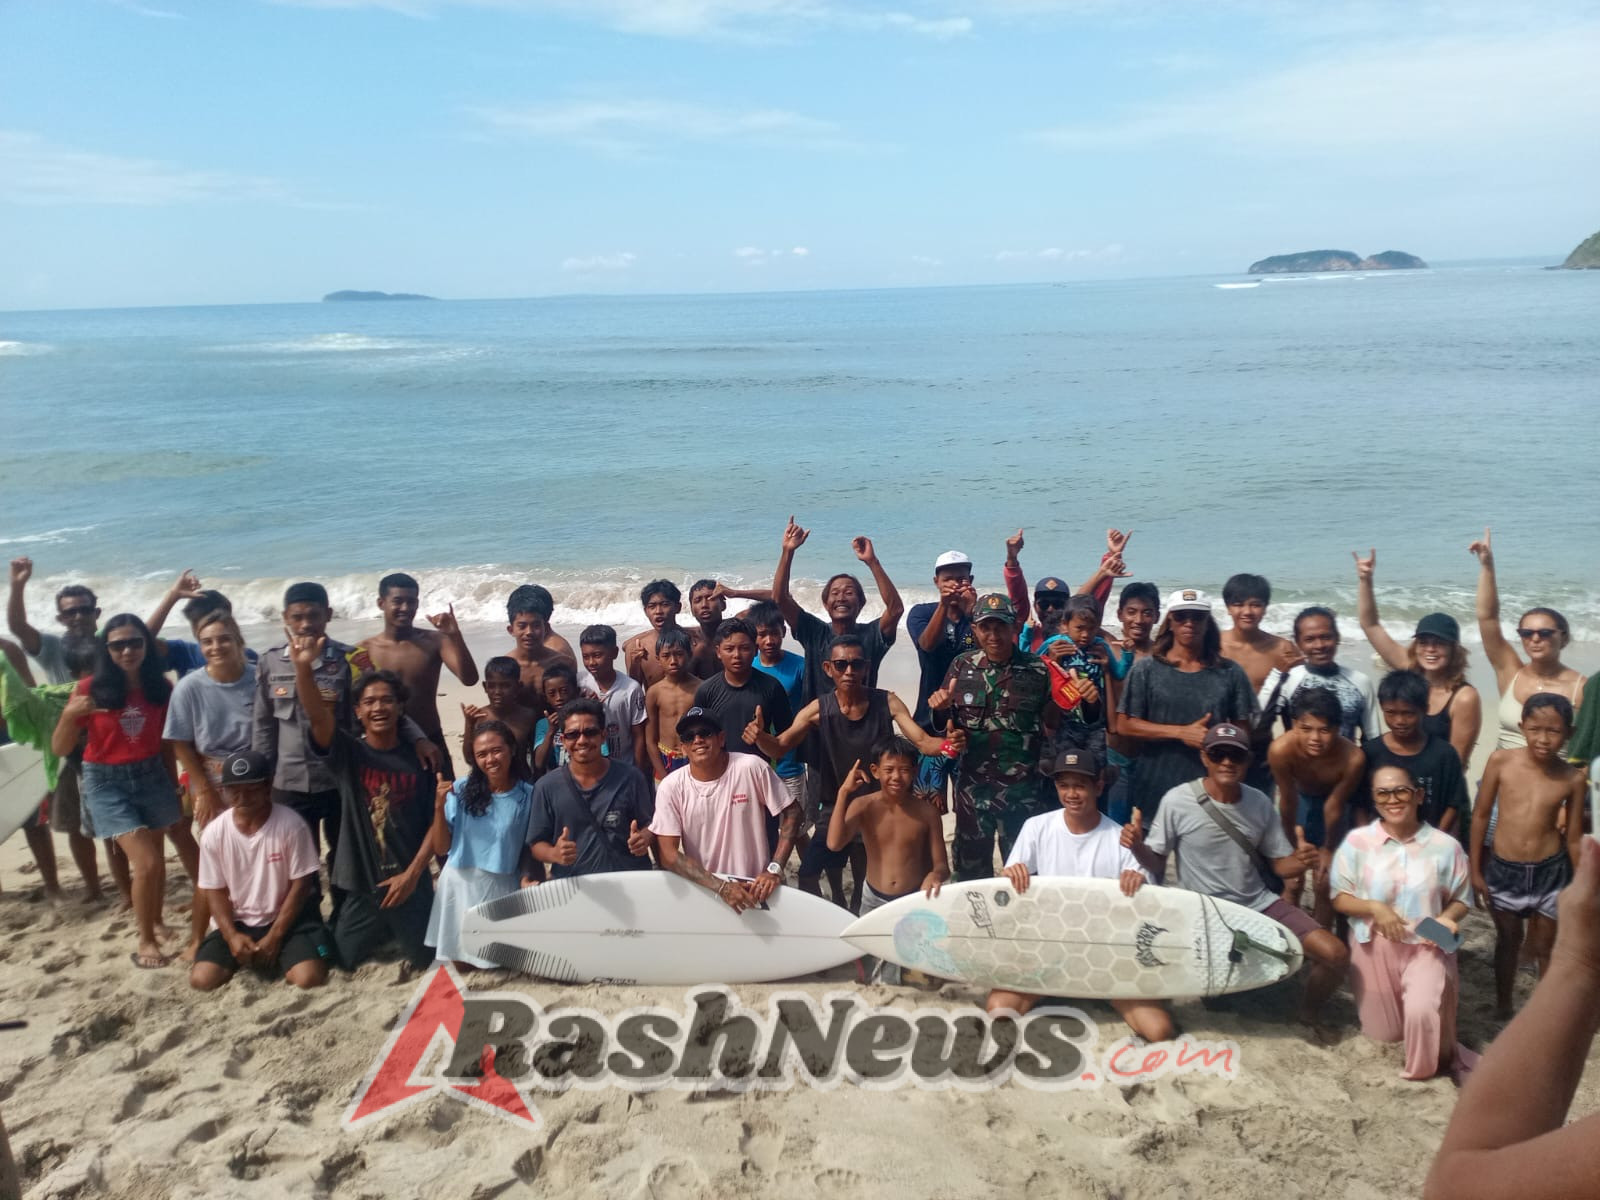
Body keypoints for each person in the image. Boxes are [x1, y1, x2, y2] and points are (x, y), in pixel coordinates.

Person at [1124, 722, 1347, 1035]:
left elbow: (1279, 866)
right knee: (1219, 999)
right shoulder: (1177, 800)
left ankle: (1308, 1014)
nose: (1227, 762)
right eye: (1218, 754)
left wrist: (1301, 862)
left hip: (1258, 903)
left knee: (1335, 954)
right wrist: (1136, 847)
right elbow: (1157, 864)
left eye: (1235, 756)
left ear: (1247, 761)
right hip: (1205, 912)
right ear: (1205, 758)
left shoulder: (1258, 802)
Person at [1424, 834, 1600, 1200]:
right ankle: (1503, 1003)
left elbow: (1455, 1188)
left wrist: (1578, 961)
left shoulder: (1440, 846)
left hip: (1535, 879)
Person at [253, 582, 437, 890]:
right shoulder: (269, 662)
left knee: (344, 855)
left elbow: (381, 704)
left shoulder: (352, 660)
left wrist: (418, 738)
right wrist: (261, 779)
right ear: (285, 617)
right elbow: (262, 725)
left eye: (314, 615)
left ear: (328, 614)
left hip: (341, 779)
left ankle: (343, 915)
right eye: (297, 617)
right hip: (289, 781)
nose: (306, 624)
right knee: (295, 861)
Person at [752, 634, 958, 907]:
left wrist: (949, 744)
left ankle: (857, 912)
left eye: (856, 664)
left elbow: (921, 741)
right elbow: (779, 747)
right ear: (828, 669)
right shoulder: (818, 708)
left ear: (866, 668)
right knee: (809, 872)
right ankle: (832, 912)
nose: (849, 671)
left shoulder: (888, 702)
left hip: (879, 806)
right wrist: (760, 736)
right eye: (841, 664)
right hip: (835, 804)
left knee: (865, 871)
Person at [986, 747, 1173, 1043]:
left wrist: (1138, 881)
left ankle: (1105, 994)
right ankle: (1053, 987)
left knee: (1158, 1030)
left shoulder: (1119, 838)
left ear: (1099, 786)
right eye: (1064, 785)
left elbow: (1147, 902)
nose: (1071, 794)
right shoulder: (1037, 827)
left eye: (1080, 785)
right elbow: (1009, 885)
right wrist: (1011, 875)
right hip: (1050, 949)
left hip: (1106, 954)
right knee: (999, 1010)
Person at [292, 640, 438, 973]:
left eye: (387, 700)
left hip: (409, 884)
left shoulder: (422, 759)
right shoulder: (348, 754)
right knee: (342, 960)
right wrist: (302, 667)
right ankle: (374, 924)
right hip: (361, 885)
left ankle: (397, 924)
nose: (378, 708)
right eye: (369, 702)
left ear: (401, 707)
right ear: (357, 711)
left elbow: (436, 821)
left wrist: (413, 875)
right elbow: (316, 715)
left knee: (425, 959)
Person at [1330, 763, 1474, 1081]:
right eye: (1383, 792)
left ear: (1418, 795)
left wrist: (1447, 919)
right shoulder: (1357, 843)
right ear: (1374, 798)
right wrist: (1374, 907)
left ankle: (1422, 1073)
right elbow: (1339, 898)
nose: (1392, 799)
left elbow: (1463, 899)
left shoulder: (1445, 846)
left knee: (1423, 1014)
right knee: (1386, 1035)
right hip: (1373, 944)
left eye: (1401, 791)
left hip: (1428, 942)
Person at [51, 615, 181, 968]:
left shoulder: (161, 688)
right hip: (106, 780)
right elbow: (60, 748)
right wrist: (67, 717)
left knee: (156, 857)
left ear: (146, 646)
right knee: (147, 862)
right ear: (105, 650)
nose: (127, 650)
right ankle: (146, 940)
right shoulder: (88, 689)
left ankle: (156, 920)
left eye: (135, 642)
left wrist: (173, 784)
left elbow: (167, 743)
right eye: (117, 644)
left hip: (152, 772)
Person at [1469, 693, 1585, 1017]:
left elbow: (1574, 838)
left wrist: (1580, 884)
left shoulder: (1573, 779)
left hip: (1551, 871)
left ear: (1569, 734)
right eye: (1535, 729)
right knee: (1507, 941)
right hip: (1504, 868)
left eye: (1554, 731)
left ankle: (1543, 1012)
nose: (1544, 739)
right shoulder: (1500, 761)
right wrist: (1475, 868)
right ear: (1522, 727)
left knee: (1546, 948)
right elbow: (1480, 815)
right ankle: (1504, 1005)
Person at [927, 593, 1055, 880]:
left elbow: (1052, 724)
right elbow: (945, 726)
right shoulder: (962, 666)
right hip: (974, 792)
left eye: (1000, 626)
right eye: (986, 627)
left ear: (1014, 627)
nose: (993, 634)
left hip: (1023, 794)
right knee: (971, 877)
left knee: (1024, 876)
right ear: (975, 629)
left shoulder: (1037, 669)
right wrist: (940, 712)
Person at [190, 749, 332, 992]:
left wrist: (275, 936)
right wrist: (231, 935)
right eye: (234, 789)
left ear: (268, 787)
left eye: (252, 788)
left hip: (287, 920)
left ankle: (278, 953)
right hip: (240, 921)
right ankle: (246, 953)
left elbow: (302, 884)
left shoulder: (291, 825)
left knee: (309, 978)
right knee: (202, 980)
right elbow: (214, 891)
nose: (243, 796)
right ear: (224, 791)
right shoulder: (214, 833)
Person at [163, 610, 257, 960]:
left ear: (238, 641)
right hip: (212, 779)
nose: (216, 647)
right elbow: (180, 742)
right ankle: (197, 938)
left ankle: (248, 922)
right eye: (207, 641)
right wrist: (202, 789)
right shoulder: (190, 687)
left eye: (223, 639)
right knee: (214, 862)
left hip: (259, 778)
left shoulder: (258, 677)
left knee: (257, 855)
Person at [1116, 589, 1257, 822]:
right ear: (1170, 620)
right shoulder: (1146, 669)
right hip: (1153, 786)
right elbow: (1125, 724)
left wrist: (1219, 744)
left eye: (1197, 616)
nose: (1189, 623)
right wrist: (1181, 732)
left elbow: (1243, 732)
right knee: (1153, 857)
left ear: (1207, 622)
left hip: (1211, 788)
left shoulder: (1230, 672)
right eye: (1181, 616)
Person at [649, 707, 801, 912]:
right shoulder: (671, 786)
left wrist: (775, 869)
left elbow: (793, 811)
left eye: (705, 733)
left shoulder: (751, 767)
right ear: (683, 748)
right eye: (689, 736)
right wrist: (720, 887)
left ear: (721, 739)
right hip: (708, 893)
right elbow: (668, 854)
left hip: (757, 890)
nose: (698, 740)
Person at [828, 738, 950, 982]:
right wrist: (843, 792)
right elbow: (834, 843)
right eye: (889, 770)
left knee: (914, 975)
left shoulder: (927, 813)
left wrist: (934, 875)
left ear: (915, 772)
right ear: (875, 771)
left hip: (913, 902)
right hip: (873, 902)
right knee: (874, 973)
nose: (896, 777)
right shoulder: (864, 805)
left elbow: (942, 866)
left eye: (904, 770)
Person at [425, 719, 538, 969]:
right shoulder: (461, 790)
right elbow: (441, 848)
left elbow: (530, 846)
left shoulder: (529, 795)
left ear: (512, 749)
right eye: (482, 754)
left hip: (501, 886)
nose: (490, 760)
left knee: (498, 961)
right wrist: (438, 807)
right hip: (459, 885)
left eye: (497, 750)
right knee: (461, 963)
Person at [1354, 549, 1482, 768]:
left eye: (1439, 643)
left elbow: (1456, 763)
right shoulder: (1410, 669)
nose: (1430, 649)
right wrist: (1366, 579)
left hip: (1437, 783)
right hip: (1397, 779)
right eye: (1423, 642)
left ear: (1454, 649)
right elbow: (1370, 625)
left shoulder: (1464, 697)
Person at [0, 635, 102, 902]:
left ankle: (52, 885)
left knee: (31, 816)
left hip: (12, 736)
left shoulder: (7, 648)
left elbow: (31, 696)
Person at [1468, 528, 1586, 750]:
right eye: (1526, 633)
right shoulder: (1510, 672)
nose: (1535, 639)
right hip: (1503, 779)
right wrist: (1486, 566)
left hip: (1556, 782)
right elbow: (1487, 619)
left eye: (1544, 633)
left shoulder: (1581, 688)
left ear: (1563, 637)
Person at [360, 572, 479, 778]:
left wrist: (454, 635)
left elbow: (469, 679)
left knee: (442, 804)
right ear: (381, 603)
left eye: (411, 602)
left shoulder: (434, 641)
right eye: (398, 601)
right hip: (383, 744)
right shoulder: (364, 651)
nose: (405, 608)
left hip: (430, 738)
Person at [770, 516, 903, 698]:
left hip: (862, 722)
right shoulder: (814, 632)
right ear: (825, 604)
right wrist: (787, 551)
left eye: (849, 593)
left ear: (861, 603)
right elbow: (780, 598)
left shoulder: (872, 635)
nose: (841, 597)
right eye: (834, 593)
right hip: (818, 723)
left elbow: (895, 609)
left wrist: (872, 562)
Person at [1268, 687, 1365, 928]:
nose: (1315, 738)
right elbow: (1287, 800)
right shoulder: (1281, 750)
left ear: (1337, 728)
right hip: (1298, 799)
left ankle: (1320, 936)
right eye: (1306, 729)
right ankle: (1288, 936)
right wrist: (1293, 843)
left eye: (1324, 730)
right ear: (1293, 724)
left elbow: (1335, 804)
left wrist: (1329, 849)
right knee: (1293, 881)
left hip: (1333, 805)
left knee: (1324, 881)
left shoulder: (1353, 757)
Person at [528, 698, 654, 879]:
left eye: (590, 732)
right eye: (572, 734)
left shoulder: (631, 778)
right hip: (575, 890)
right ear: (563, 740)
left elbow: (651, 824)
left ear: (603, 735)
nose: (582, 741)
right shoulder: (546, 787)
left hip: (630, 882)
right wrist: (554, 854)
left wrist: (644, 839)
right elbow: (536, 843)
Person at [1360, 670, 1471, 838]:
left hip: (1430, 843)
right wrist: (1369, 840)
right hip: (1382, 845)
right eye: (1390, 713)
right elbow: (1359, 805)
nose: (1399, 721)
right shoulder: (1370, 753)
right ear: (1382, 708)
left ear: (1425, 709)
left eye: (1408, 713)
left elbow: (1454, 804)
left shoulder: (1444, 754)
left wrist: (1435, 839)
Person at [1259, 607, 1380, 746]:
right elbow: (1259, 723)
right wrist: (1277, 675)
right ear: (1298, 643)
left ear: (1337, 638)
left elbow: (1373, 738)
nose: (1319, 645)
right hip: (1297, 765)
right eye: (1310, 639)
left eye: (1326, 637)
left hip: (1344, 765)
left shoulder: (1360, 681)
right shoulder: (1288, 679)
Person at [1037, 594, 1127, 771]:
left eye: (1092, 628)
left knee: (1095, 770)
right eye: (1079, 628)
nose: (1086, 634)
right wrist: (1050, 660)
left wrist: (1125, 656)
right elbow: (1034, 662)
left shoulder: (1100, 647)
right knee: (1066, 769)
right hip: (1065, 723)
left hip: (1096, 725)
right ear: (1065, 625)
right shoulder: (1057, 644)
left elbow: (1119, 672)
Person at [691, 618, 793, 759]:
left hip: (759, 772)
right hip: (720, 772)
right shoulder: (705, 691)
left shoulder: (772, 687)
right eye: (729, 649)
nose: (737, 655)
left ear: (756, 650)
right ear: (718, 652)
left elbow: (785, 741)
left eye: (744, 648)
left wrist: (761, 737)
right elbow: (699, 738)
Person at [747, 602, 810, 825]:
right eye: (761, 634)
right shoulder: (746, 667)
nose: (769, 640)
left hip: (790, 762)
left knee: (797, 827)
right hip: (755, 762)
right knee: (760, 825)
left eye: (774, 633)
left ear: (784, 632)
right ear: (753, 636)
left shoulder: (801, 666)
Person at [1103, 581, 1161, 824]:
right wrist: (1106, 571)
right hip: (1114, 757)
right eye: (1132, 612)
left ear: (1156, 616)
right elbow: (1076, 609)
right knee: (1113, 832)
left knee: (1148, 832)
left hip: (1151, 760)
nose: (1139, 619)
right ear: (1119, 614)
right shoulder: (1107, 647)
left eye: (1147, 612)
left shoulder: (1164, 655)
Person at [906, 549, 978, 732]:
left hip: (974, 717)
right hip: (928, 717)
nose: (955, 584)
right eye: (948, 579)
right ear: (936, 582)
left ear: (971, 580)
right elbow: (927, 645)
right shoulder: (921, 613)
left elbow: (993, 653)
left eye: (961, 579)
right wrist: (943, 605)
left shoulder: (981, 617)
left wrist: (972, 613)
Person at [143, 570, 261, 678]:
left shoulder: (249, 657)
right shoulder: (184, 653)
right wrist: (173, 596)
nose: (216, 647)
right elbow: (141, 641)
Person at [7, 556, 100, 684]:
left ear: (97, 613)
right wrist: (17, 585)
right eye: (70, 612)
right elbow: (18, 627)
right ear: (61, 619)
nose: (79, 616)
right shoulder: (53, 647)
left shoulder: (113, 645)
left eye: (85, 610)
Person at [577, 624, 651, 779]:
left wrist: (637, 772)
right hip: (590, 766)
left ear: (614, 653)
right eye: (586, 657)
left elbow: (638, 735)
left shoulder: (631, 688)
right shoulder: (580, 683)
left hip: (623, 767)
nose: (591, 662)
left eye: (597, 655)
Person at [461, 656, 537, 780]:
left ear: (518, 686)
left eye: (505, 686)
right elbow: (469, 758)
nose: (497, 692)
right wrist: (469, 725)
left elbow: (537, 757)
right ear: (485, 687)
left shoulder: (528, 717)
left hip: (521, 780)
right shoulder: (479, 717)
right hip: (488, 783)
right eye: (492, 686)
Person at [503, 584, 575, 713]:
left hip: (554, 728)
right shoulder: (505, 668)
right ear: (511, 629)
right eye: (522, 626)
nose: (529, 632)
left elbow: (573, 702)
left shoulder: (563, 662)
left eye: (536, 625)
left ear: (546, 628)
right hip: (519, 730)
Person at [623, 581, 706, 691]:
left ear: (678, 607)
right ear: (645, 611)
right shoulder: (635, 648)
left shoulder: (696, 643)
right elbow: (633, 694)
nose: (658, 611)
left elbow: (709, 687)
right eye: (652, 606)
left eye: (665, 604)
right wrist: (634, 665)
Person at [644, 627, 700, 780]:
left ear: (689, 655)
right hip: (664, 759)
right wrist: (663, 775)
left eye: (679, 654)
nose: (673, 661)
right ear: (658, 659)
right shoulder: (654, 692)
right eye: (666, 656)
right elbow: (650, 740)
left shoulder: (700, 688)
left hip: (694, 758)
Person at [531, 661, 583, 774]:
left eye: (564, 691)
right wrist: (551, 732)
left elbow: (601, 755)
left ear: (576, 692)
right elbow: (539, 763)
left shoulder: (585, 720)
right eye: (552, 693)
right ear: (546, 698)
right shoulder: (543, 724)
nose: (559, 697)